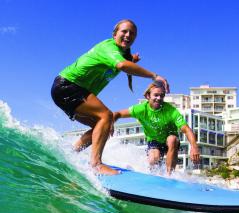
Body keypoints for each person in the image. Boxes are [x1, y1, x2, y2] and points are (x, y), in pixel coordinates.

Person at [51, 19, 168, 175]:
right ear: (114, 35)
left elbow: (126, 63)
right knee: (106, 116)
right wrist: (154, 76)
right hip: (68, 86)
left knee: (101, 127)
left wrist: (132, 60)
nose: (128, 35)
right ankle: (96, 164)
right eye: (124, 31)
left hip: (69, 90)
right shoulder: (109, 47)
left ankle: (70, 153)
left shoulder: (122, 53)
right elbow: (122, 65)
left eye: (132, 33)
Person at [113, 82, 200, 174]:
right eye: (156, 95)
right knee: (153, 159)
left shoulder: (170, 110)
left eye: (162, 96)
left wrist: (194, 147)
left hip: (170, 141)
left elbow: (186, 129)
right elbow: (117, 114)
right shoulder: (141, 109)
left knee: (172, 139)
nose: (159, 98)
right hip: (154, 140)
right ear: (148, 96)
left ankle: (170, 175)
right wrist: (111, 123)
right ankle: (154, 175)